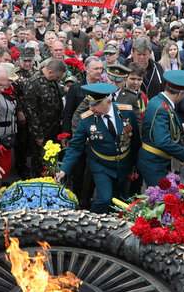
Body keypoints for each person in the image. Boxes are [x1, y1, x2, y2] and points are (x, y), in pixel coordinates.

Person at [56, 83, 140, 213]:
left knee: (121, 200)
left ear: (108, 100)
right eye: (90, 104)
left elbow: (135, 141)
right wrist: (64, 169)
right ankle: (92, 223)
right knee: (104, 198)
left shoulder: (126, 112)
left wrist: (135, 165)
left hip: (124, 164)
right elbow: (75, 147)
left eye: (95, 104)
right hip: (101, 165)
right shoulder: (86, 120)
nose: (91, 108)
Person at [137, 70, 184, 186]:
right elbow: (162, 140)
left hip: (155, 160)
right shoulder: (162, 108)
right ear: (181, 93)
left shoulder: (158, 100)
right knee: (160, 199)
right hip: (154, 162)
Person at [23, 59, 65, 177]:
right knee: (39, 162)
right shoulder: (33, 83)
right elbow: (31, 112)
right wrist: (38, 135)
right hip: (41, 131)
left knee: (51, 161)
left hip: (53, 128)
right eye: (57, 77)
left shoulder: (52, 81)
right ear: (51, 72)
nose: (58, 80)